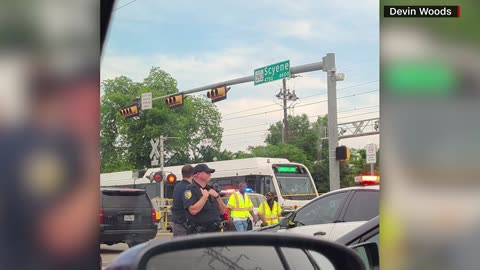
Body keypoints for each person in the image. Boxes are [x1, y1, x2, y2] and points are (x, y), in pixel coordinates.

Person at [182, 164, 226, 234]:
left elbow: (223, 211)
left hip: (216, 231)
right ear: (198, 174)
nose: (210, 175)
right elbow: (193, 210)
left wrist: (217, 197)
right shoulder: (190, 189)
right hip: (200, 232)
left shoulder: (211, 189)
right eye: (207, 172)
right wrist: (204, 197)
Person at [171, 165, 194, 237]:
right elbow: (189, 205)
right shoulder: (188, 188)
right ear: (192, 175)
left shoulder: (177, 186)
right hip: (184, 223)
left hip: (177, 222)